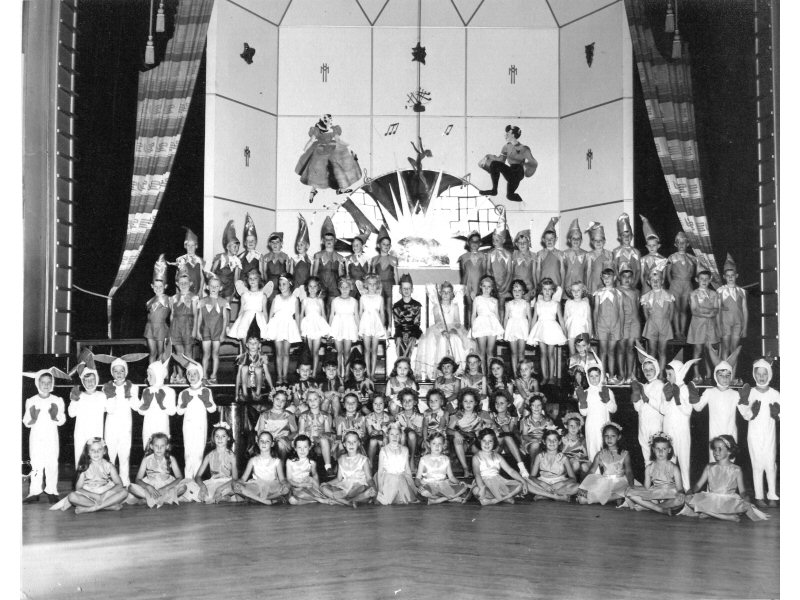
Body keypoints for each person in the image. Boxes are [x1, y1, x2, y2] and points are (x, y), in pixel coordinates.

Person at [682, 435, 768, 521]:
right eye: (714, 449)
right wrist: (690, 491)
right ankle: (724, 516)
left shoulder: (736, 469)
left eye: (720, 449)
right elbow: (698, 485)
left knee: (744, 506)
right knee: (687, 499)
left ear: (729, 452)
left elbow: (742, 491)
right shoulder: (709, 467)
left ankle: (708, 512)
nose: (716, 452)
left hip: (728, 500)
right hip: (711, 499)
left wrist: (746, 499)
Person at [737, 358, 780, 508]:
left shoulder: (775, 393)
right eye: (759, 374)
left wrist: (778, 414)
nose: (762, 377)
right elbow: (744, 413)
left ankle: (773, 496)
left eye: (764, 374)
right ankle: (759, 496)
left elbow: (782, 413)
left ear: (770, 374)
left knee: (770, 463)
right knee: (757, 465)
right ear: (754, 375)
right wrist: (750, 412)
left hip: (769, 433)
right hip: (754, 433)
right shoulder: (751, 392)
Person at [23, 369, 68, 504]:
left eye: (49, 382)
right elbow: (26, 422)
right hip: (36, 437)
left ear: (52, 384)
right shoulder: (31, 400)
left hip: (51, 437)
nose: (46, 385)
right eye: (43, 382)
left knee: (52, 463)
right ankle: (34, 492)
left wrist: (55, 416)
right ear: (38, 383)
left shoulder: (57, 400)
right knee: (36, 464)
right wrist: (32, 418)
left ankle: (51, 490)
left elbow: (62, 421)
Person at [295, 113, 362, 203]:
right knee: (318, 172)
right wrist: (304, 150)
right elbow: (311, 140)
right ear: (324, 120)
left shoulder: (334, 129)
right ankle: (313, 190)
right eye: (328, 119)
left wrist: (348, 145)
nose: (330, 121)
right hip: (320, 151)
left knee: (337, 169)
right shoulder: (317, 129)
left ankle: (340, 189)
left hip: (333, 149)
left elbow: (338, 140)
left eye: (331, 119)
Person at [51, 438, 128, 514]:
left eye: (99, 450)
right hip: (89, 494)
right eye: (92, 450)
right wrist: (95, 496)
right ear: (88, 452)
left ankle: (92, 509)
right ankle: (108, 506)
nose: (96, 452)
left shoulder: (109, 466)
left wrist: (105, 494)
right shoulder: (84, 467)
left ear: (104, 451)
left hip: (105, 493)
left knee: (124, 492)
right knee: (72, 497)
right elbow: (78, 488)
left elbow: (119, 484)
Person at [416, 282, 473, 380]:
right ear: (440, 293)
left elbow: (456, 321)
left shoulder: (455, 306)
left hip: (453, 328)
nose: (446, 294)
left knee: (456, 339)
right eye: (444, 292)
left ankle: (458, 369)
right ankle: (440, 369)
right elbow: (438, 321)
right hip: (439, 329)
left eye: (448, 292)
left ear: (452, 294)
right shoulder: (436, 307)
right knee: (442, 340)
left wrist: (454, 330)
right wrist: (443, 331)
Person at [691, 352, 741, 460]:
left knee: (730, 464)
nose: (725, 378)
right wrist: (694, 396)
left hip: (730, 433)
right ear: (715, 375)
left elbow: (746, 414)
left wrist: (746, 402)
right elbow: (697, 407)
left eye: (728, 375)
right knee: (715, 463)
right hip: (715, 434)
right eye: (721, 375)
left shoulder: (735, 394)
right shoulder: (710, 392)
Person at [661, 356, 700, 490]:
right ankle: (671, 487)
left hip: (682, 430)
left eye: (670, 374)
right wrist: (667, 398)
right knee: (669, 460)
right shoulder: (666, 388)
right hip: (668, 430)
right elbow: (663, 410)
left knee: (684, 461)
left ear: (678, 373)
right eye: (666, 374)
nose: (667, 377)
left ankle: (687, 487)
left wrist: (678, 399)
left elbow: (688, 411)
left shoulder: (686, 388)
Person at [622, 432, 685, 515]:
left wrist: (680, 493)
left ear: (669, 450)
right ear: (653, 449)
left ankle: (650, 507)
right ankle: (659, 509)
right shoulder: (649, 468)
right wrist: (633, 488)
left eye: (664, 449)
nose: (660, 451)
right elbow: (647, 488)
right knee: (629, 492)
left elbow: (680, 488)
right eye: (657, 448)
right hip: (655, 492)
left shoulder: (674, 468)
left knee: (680, 500)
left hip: (670, 492)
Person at [176, 361, 217, 480]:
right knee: (188, 454)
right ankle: (188, 480)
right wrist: (184, 403)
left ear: (200, 375)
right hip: (188, 426)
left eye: (195, 374)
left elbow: (212, 409)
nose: (192, 376)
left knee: (198, 455)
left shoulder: (206, 391)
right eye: (189, 374)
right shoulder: (184, 393)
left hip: (200, 427)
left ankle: (197, 480)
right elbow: (179, 411)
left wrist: (206, 401)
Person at [102, 357, 140, 486]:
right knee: (110, 455)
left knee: (124, 455)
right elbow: (109, 409)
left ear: (126, 372)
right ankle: (110, 482)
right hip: (111, 426)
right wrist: (111, 396)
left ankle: (125, 482)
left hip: (125, 426)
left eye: (121, 371)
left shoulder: (133, 387)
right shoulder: (106, 387)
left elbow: (137, 407)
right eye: (116, 371)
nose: (119, 374)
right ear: (112, 372)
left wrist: (131, 395)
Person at [478, 124, 538, 202]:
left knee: (510, 196)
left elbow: (533, 163)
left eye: (507, 134)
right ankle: (494, 190)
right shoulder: (506, 147)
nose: (505, 135)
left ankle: (526, 203)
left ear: (513, 135)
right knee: (510, 196)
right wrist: (488, 156)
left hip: (518, 173)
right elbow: (500, 160)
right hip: (510, 171)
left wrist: (526, 168)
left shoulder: (524, 148)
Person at [577, 422, 633, 505]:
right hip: (605, 482)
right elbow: (592, 471)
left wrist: (631, 486)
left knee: (629, 491)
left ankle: (616, 496)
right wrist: (584, 485)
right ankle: (617, 497)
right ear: (603, 437)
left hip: (620, 481)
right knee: (581, 498)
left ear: (619, 437)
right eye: (606, 436)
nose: (609, 439)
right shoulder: (600, 454)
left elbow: (629, 471)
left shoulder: (625, 453)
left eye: (613, 436)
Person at [128, 433, 187, 508]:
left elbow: (179, 477)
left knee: (183, 487)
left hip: (166, 487)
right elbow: (138, 479)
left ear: (167, 446)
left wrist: (166, 488)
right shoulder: (146, 459)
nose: (159, 449)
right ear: (151, 446)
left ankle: (150, 500)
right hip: (151, 487)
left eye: (162, 446)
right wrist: (148, 487)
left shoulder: (171, 459)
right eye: (156, 446)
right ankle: (164, 500)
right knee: (131, 487)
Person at [183, 423, 238, 504]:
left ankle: (227, 497)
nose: (220, 439)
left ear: (228, 438)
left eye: (223, 436)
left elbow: (235, 478)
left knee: (234, 487)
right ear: (213, 437)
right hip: (213, 482)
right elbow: (197, 476)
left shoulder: (231, 456)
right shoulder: (209, 455)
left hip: (227, 483)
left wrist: (220, 488)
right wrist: (203, 487)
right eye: (217, 436)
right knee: (189, 486)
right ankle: (223, 498)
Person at [630, 347, 666, 467]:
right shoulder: (643, 386)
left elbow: (661, 407)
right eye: (645, 369)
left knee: (656, 453)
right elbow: (638, 408)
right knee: (646, 452)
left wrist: (646, 398)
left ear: (657, 369)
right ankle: (649, 480)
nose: (648, 372)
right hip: (643, 424)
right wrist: (636, 396)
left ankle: (660, 480)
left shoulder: (660, 385)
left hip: (655, 424)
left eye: (651, 369)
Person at [472, 428, 528, 505]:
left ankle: (496, 500)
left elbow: (510, 471)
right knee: (476, 490)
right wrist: (482, 487)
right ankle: (503, 498)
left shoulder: (497, 456)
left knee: (519, 485)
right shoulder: (476, 457)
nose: (487, 444)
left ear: (494, 442)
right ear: (479, 441)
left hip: (498, 482)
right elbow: (477, 474)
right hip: (483, 482)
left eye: (490, 441)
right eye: (484, 441)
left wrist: (523, 481)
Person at [527, 278, 567, 385]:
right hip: (540, 329)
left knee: (551, 354)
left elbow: (561, 320)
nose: (547, 292)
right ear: (541, 290)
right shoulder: (538, 303)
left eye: (549, 289)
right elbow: (534, 318)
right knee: (543, 354)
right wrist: (531, 333)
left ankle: (551, 377)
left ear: (553, 291)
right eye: (545, 289)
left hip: (552, 329)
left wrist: (565, 333)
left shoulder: (556, 304)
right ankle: (545, 377)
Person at [321, 431, 377, 507]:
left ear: (359, 443)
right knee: (323, 488)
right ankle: (349, 502)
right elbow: (339, 479)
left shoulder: (363, 459)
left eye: (354, 442)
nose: (351, 444)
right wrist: (327, 483)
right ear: (344, 444)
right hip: (345, 486)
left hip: (358, 487)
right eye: (348, 442)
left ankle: (343, 500)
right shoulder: (341, 459)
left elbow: (369, 478)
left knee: (366, 492)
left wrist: (373, 487)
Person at [233, 431, 290, 505]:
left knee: (286, 489)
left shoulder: (276, 461)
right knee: (235, 486)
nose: (264, 443)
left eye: (267, 441)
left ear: (272, 444)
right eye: (261, 441)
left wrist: (285, 485)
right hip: (256, 487)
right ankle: (264, 500)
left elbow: (282, 479)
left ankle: (258, 499)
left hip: (272, 487)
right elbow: (243, 479)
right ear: (257, 442)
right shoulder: (253, 460)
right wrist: (238, 483)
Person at [525, 426, 580, 502]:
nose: (552, 442)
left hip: (559, 484)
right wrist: (542, 483)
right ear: (544, 442)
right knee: (524, 482)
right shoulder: (540, 456)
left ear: (559, 442)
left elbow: (573, 478)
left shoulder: (563, 458)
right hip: (543, 483)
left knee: (577, 487)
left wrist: (561, 483)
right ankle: (555, 496)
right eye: (549, 440)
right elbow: (532, 477)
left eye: (555, 440)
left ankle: (545, 495)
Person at [265, 273, 302, 385]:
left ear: (290, 284)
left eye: (284, 284)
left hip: (288, 326)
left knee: (286, 353)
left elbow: (298, 315)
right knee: (278, 353)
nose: (281, 286)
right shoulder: (276, 297)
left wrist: (299, 330)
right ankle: (279, 376)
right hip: (277, 325)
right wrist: (267, 328)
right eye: (280, 284)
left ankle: (284, 376)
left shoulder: (294, 299)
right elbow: (271, 313)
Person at [415, 433, 471, 504]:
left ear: (443, 445)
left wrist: (459, 482)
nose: (437, 446)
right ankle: (448, 498)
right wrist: (420, 486)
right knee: (423, 493)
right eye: (434, 443)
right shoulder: (424, 459)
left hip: (443, 485)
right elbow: (417, 479)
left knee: (464, 487)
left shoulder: (446, 459)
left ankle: (438, 500)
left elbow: (451, 477)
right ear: (429, 444)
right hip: (429, 485)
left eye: (440, 444)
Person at [195, 275, 231, 384]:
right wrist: (197, 331)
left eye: (216, 286)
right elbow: (199, 318)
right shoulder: (202, 301)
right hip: (205, 330)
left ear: (220, 288)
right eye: (211, 286)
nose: (214, 288)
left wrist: (223, 333)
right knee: (206, 354)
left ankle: (214, 375)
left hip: (217, 330)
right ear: (207, 287)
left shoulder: (223, 302)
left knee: (215, 354)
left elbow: (225, 319)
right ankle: (204, 375)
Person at [68, 366, 107, 468]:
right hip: (81, 433)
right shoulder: (79, 396)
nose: (90, 383)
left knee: (96, 459)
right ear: (82, 381)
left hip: (96, 433)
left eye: (92, 380)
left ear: (97, 379)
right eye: (86, 380)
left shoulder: (102, 395)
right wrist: (74, 400)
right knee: (80, 458)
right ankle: (80, 481)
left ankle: (97, 481)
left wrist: (111, 396)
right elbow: (71, 413)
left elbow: (110, 409)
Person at [576, 364, 617, 459]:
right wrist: (582, 402)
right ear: (587, 377)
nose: (594, 379)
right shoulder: (585, 392)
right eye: (591, 376)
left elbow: (613, 409)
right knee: (592, 448)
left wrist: (607, 401)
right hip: (591, 426)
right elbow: (584, 413)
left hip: (604, 424)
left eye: (596, 376)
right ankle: (595, 472)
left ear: (601, 376)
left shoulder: (607, 390)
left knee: (604, 447)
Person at [448, 388, 491, 478]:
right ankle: (465, 469)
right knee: (456, 440)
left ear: (475, 403)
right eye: (465, 401)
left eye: (471, 401)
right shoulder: (457, 415)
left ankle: (479, 471)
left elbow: (492, 426)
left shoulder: (481, 414)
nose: (468, 404)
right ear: (461, 402)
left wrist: (486, 426)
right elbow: (448, 430)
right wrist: (456, 433)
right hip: (462, 441)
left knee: (480, 451)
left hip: (476, 440)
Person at [718, 254, 748, 382]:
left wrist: (745, 327)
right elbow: (718, 310)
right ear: (724, 277)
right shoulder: (720, 291)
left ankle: (732, 377)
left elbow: (745, 310)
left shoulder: (742, 291)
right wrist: (718, 326)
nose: (730, 278)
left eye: (732, 275)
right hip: (725, 323)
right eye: (728, 276)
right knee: (725, 348)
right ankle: (724, 376)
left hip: (738, 324)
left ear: (736, 276)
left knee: (734, 349)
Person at [687, 270, 721, 383]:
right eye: (702, 279)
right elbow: (694, 310)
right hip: (698, 325)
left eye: (707, 279)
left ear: (710, 279)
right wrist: (708, 313)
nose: (704, 281)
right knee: (698, 349)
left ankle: (709, 373)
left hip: (710, 325)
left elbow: (716, 308)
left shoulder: (713, 294)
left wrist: (711, 312)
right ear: (697, 280)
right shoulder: (693, 294)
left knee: (710, 349)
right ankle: (696, 374)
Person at [640, 266, 674, 373]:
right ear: (648, 282)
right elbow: (645, 313)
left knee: (662, 351)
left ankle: (660, 373)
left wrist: (668, 323)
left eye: (658, 280)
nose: (655, 282)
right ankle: (652, 372)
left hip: (664, 324)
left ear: (662, 281)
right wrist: (650, 322)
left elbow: (671, 311)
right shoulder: (646, 297)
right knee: (652, 350)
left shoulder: (668, 295)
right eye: (653, 280)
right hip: (652, 324)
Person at [592, 268, 624, 384]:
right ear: (601, 277)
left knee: (611, 351)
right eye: (604, 277)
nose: (606, 279)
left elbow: (621, 311)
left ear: (614, 278)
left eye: (609, 277)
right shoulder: (598, 293)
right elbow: (595, 311)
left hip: (615, 325)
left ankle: (611, 376)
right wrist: (594, 327)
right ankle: (603, 376)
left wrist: (621, 328)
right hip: (602, 325)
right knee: (602, 351)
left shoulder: (618, 293)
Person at [137, 358, 177, 448]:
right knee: (147, 450)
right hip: (148, 426)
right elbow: (141, 412)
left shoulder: (169, 391)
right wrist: (145, 405)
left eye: (150, 375)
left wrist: (162, 404)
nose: (147, 378)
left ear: (158, 375)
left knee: (162, 451)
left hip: (162, 426)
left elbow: (173, 411)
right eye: (147, 375)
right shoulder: (146, 390)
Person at [376, 422, 418, 505]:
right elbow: (380, 470)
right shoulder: (384, 450)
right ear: (387, 435)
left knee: (407, 496)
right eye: (392, 434)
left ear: (401, 436)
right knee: (387, 499)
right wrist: (380, 488)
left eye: (397, 434)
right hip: (388, 478)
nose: (394, 437)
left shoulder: (405, 449)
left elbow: (407, 469)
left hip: (401, 477)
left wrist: (412, 485)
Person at [665, 231, 697, 341]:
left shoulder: (692, 258)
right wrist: (671, 284)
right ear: (676, 244)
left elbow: (694, 273)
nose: (681, 245)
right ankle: (677, 331)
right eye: (679, 242)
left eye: (683, 242)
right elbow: (667, 272)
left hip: (687, 284)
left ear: (687, 244)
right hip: (675, 284)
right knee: (676, 309)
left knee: (684, 309)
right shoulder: (672, 257)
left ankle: (683, 332)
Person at [488, 390, 528, 477]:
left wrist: (522, 445)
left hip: (510, 445)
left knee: (506, 434)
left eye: (502, 403)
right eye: (497, 403)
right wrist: (497, 428)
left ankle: (522, 468)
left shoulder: (512, 417)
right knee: (503, 433)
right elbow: (493, 432)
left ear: (508, 404)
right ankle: (491, 468)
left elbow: (511, 432)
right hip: (496, 444)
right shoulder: (491, 415)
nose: (498, 405)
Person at [286, 434, 334, 505]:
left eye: (305, 447)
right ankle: (317, 499)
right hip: (295, 486)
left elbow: (314, 475)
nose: (302, 450)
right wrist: (299, 485)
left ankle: (319, 497)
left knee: (311, 481)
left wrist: (317, 489)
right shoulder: (290, 461)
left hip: (307, 485)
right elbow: (289, 479)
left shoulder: (311, 462)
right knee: (292, 500)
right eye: (299, 447)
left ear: (309, 447)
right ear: (295, 448)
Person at [227, 270, 269, 349]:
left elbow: (265, 312)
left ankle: (257, 360)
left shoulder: (263, 295)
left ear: (259, 280)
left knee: (256, 346)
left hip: (258, 320)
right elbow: (241, 311)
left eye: (255, 278)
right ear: (247, 280)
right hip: (245, 320)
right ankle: (246, 359)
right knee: (245, 345)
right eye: (250, 278)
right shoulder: (244, 295)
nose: (252, 280)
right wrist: (238, 325)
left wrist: (267, 326)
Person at [297, 389, 335, 477]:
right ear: (306, 401)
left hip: (320, 442)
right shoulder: (304, 416)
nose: (312, 402)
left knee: (324, 440)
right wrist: (308, 438)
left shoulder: (326, 416)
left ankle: (328, 467)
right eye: (310, 400)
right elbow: (301, 433)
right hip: (308, 439)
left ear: (320, 399)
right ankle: (304, 467)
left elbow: (328, 433)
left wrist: (320, 437)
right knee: (303, 442)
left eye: (315, 399)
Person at [312, 216, 346, 314]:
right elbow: (314, 273)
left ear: (335, 240)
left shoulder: (339, 257)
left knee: (332, 307)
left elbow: (340, 275)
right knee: (319, 307)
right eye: (326, 239)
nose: (328, 241)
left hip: (334, 286)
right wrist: (314, 286)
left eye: (331, 239)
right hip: (321, 285)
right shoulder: (318, 255)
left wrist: (342, 287)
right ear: (322, 241)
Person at [169, 273, 198, 383]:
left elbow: (195, 314)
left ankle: (189, 375)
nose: (184, 285)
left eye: (186, 283)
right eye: (181, 283)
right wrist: (171, 329)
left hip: (188, 325)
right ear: (177, 284)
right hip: (176, 326)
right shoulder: (173, 298)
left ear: (190, 284)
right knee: (179, 353)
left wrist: (195, 329)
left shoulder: (194, 297)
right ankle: (180, 376)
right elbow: (171, 315)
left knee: (188, 352)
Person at [299, 277, 331, 378]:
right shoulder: (304, 301)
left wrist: (326, 329)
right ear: (307, 288)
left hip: (317, 326)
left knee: (315, 351)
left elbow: (324, 315)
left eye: (315, 286)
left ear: (318, 288)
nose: (312, 289)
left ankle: (314, 373)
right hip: (308, 326)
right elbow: (301, 315)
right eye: (310, 286)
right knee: (308, 351)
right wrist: (300, 329)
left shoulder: (320, 301)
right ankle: (308, 371)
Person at [210, 220, 242, 321]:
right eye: (234, 246)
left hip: (229, 288)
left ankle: (226, 328)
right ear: (228, 247)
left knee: (227, 307)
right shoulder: (219, 257)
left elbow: (236, 277)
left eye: (238, 246)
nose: (237, 248)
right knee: (216, 306)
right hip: (218, 286)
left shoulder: (237, 261)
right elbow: (212, 272)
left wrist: (236, 290)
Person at [329, 277, 360, 378]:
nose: (345, 289)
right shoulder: (335, 301)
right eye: (342, 287)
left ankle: (346, 373)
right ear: (339, 288)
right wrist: (329, 331)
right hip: (337, 326)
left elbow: (356, 316)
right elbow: (332, 315)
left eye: (347, 287)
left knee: (347, 352)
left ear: (350, 288)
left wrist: (359, 330)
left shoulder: (354, 301)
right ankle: (338, 373)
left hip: (349, 327)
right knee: (339, 352)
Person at [255, 388, 298, 461]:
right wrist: (269, 439)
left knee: (281, 444)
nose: (279, 402)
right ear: (272, 399)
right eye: (277, 399)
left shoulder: (289, 415)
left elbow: (295, 432)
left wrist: (286, 438)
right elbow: (260, 431)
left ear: (286, 402)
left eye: (283, 400)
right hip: (269, 440)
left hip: (283, 442)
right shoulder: (265, 415)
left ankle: (280, 467)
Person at [471, 275, 504, 369]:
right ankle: (483, 374)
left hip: (492, 325)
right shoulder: (477, 299)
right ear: (480, 287)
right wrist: (473, 328)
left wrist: (499, 330)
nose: (486, 289)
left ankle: (490, 375)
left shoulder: (494, 300)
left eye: (489, 287)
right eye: (484, 286)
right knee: (481, 352)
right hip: (480, 324)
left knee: (490, 352)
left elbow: (497, 315)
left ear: (492, 288)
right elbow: (473, 314)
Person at [369, 226, 398, 331]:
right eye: (383, 244)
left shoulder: (393, 259)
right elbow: (371, 276)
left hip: (390, 285)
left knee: (389, 306)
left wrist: (397, 288)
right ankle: (380, 326)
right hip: (379, 286)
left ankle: (390, 326)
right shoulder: (374, 260)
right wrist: (371, 288)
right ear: (378, 245)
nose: (386, 246)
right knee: (379, 306)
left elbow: (396, 275)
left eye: (388, 244)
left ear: (390, 246)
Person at [358, 274, 387, 381]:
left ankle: (372, 374)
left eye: (375, 284)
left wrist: (382, 326)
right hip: (365, 324)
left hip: (376, 324)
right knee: (366, 350)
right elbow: (360, 313)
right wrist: (359, 328)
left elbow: (382, 313)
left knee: (374, 350)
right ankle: (367, 373)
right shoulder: (363, 298)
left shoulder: (380, 298)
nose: (372, 286)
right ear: (366, 285)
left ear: (377, 285)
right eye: (370, 284)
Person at [458, 231, 487, 329]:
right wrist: (463, 288)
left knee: (480, 308)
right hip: (468, 286)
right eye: (472, 241)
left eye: (477, 241)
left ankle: (479, 329)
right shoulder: (463, 257)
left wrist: (482, 288)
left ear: (480, 243)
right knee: (469, 307)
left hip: (479, 286)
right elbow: (464, 273)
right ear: (468, 243)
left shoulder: (483, 256)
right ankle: (470, 329)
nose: (474, 243)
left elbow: (485, 273)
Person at [616, 268, 641, 384]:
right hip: (622, 322)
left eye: (629, 276)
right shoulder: (616, 291)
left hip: (634, 322)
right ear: (619, 278)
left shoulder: (636, 291)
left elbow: (637, 308)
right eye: (624, 276)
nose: (627, 279)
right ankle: (621, 374)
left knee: (631, 348)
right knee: (621, 348)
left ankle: (630, 374)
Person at [503, 280, 532, 377]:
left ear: (523, 292)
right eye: (515, 290)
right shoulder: (508, 304)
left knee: (521, 353)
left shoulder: (526, 303)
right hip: (511, 328)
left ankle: (522, 374)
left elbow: (530, 318)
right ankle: (515, 374)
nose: (517, 292)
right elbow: (506, 318)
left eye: (519, 290)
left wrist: (530, 331)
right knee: (513, 353)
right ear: (511, 291)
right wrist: (504, 331)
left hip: (523, 327)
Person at [393, 273, 423, 359]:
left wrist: (410, 334)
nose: (406, 290)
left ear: (412, 289)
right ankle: (404, 363)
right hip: (401, 330)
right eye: (404, 288)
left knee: (412, 340)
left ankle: (404, 362)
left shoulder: (417, 305)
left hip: (414, 330)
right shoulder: (396, 306)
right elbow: (397, 324)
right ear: (400, 290)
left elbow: (416, 324)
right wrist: (402, 334)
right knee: (398, 340)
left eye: (408, 288)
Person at [486, 221, 513, 315]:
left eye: (497, 240)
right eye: (493, 240)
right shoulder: (490, 253)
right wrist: (492, 283)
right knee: (493, 306)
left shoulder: (508, 254)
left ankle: (502, 324)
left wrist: (505, 285)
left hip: (504, 284)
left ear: (503, 240)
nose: (494, 242)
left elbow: (509, 272)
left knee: (502, 305)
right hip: (493, 284)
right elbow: (488, 269)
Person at [534, 218, 565, 296]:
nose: (549, 241)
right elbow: (538, 270)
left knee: (556, 305)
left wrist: (562, 284)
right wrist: (538, 284)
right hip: (544, 285)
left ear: (556, 239)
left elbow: (562, 270)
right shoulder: (540, 253)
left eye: (552, 238)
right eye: (547, 239)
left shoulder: (560, 253)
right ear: (543, 240)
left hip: (556, 284)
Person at [518, 393, 552, 465]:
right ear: (530, 406)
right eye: (533, 405)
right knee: (535, 445)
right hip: (530, 441)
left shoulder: (547, 420)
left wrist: (543, 441)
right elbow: (524, 435)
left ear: (542, 406)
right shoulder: (526, 420)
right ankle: (533, 468)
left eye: (539, 405)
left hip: (543, 441)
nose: (536, 408)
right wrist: (533, 440)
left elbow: (550, 433)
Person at [235, 336, 271, 402]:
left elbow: (267, 373)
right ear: (247, 345)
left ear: (259, 345)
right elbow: (238, 375)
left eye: (255, 343)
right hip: (246, 381)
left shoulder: (262, 356)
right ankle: (245, 393)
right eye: (250, 343)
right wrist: (236, 394)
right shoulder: (243, 356)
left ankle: (258, 393)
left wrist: (272, 389)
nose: (253, 345)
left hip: (258, 381)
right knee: (244, 368)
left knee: (258, 369)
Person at [144, 276, 171, 364]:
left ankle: (161, 375)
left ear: (165, 286)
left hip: (160, 327)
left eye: (160, 286)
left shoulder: (168, 299)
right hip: (150, 327)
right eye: (156, 286)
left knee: (161, 353)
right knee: (152, 353)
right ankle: (151, 374)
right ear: (152, 286)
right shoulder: (150, 301)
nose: (158, 288)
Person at [583, 222, 614, 297]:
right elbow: (588, 272)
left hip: (606, 283)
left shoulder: (609, 254)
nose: (598, 242)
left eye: (600, 240)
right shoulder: (589, 255)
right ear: (592, 242)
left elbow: (611, 271)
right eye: (596, 241)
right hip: (594, 284)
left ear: (604, 241)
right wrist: (587, 287)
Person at [174, 227, 206, 297]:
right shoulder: (180, 259)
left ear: (196, 246)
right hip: (184, 288)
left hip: (196, 289)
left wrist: (200, 291)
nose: (190, 247)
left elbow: (202, 277)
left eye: (192, 245)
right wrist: (177, 291)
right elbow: (177, 276)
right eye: (188, 245)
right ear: (185, 246)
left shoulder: (200, 260)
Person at [261, 232, 290, 308]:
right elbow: (263, 273)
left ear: (281, 243)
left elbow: (288, 273)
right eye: (272, 242)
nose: (275, 244)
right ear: (269, 244)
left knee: (280, 306)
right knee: (270, 306)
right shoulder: (266, 257)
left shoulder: (285, 257)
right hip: (269, 287)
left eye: (277, 242)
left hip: (281, 288)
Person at [639, 215, 667, 293]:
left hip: (659, 286)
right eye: (649, 245)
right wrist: (644, 286)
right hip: (646, 286)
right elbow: (642, 275)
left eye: (654, 245)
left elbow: (663, 276)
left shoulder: (663, 259)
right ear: (646, 246)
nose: (651, 247)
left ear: (658, 246)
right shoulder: (643, 259)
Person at [611, 214, 641, 285]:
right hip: (619, 283)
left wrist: (635, 283)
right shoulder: (616, 251)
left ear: (632, 236)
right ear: (620, 237)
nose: (626, 237)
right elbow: (615, 267)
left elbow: (638, 269)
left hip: (632, 282)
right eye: (624, 235)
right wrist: (619, 279)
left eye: (629, 235)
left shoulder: (636, 252)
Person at [395, 388, 424, 462]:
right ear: (401, 403)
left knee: (411, 434)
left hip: (416, 444)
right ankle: (401, 458)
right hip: (403, 443)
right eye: (404, 400)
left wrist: (409, 425)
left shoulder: (420, 417)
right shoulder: (398, 416)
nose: (407, 403)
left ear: (415, 402)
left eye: (409, 400)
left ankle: (412, 460)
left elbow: (420, 434)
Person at [564, 281, 592, 356]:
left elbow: (589, 320)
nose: (576, 292)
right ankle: (573, 367)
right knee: (572, 353)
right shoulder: (568, 302)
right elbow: (565, 318)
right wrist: (565, 332)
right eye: (573, 290)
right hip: (571, 330)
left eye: (578, 290)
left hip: (582, 330)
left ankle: (582, 367)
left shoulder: (585, 304)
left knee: (582, 353)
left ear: (582, 291)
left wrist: (590, 334)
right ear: (571, 292)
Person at [366, 394, 393, 470]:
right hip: (371, 439)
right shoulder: (368, 417)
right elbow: (370, 433)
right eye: (375, 404)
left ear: (385, 404)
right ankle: (370, 462)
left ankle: (385, 463)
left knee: (383, 441)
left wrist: (381, 433)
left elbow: (389, 432)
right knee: (373, 441)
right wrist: (379, 432)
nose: (378, 406)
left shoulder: (389, 417)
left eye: (381, 403)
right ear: (372, 404)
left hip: (385, 438)